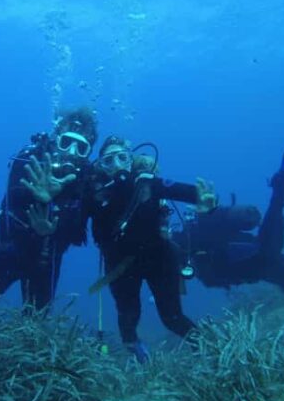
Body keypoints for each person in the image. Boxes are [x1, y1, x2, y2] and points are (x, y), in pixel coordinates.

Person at [172, 119, 284, 291]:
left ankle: (282, 186)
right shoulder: (165, 250)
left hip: (229, 255)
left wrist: (206, 216)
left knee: (269, 252)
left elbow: (193, 244)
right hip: (243, 266)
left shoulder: (168, 244)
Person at [85, 136, 217, 362]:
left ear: (130, 160)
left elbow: (179, 190)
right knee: (128, 319)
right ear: (101, 166)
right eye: (109, 160)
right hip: (120, 267)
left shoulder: (147, 183)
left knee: (172, 318)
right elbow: (72, 217)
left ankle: (213, 351)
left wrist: (205, 201)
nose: (117, 164)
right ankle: (140, 358)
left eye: (122, 157)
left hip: (160, 259)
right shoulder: (95, 195)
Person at [0, 108, 97, 311]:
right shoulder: (29, 157)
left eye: (81, 147)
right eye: (66, 142)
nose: (71, 152)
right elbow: (12, 198)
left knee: (36, 322)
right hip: (7, 249)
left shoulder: (86, 180)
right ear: (56, 139)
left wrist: (52, 227)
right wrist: (38, 197)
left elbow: (78, 234)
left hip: (47, 259)